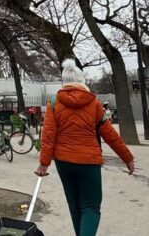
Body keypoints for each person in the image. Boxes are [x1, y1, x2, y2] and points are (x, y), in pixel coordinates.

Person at [35, 68, 134, 236]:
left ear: (64, 81)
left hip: (63, 161)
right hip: (89, 161)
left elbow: (49, 134)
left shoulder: (54, 102)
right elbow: (109, 134)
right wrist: (127, 158)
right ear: (82, 81)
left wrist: (44, 163)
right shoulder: (94, 103)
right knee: (91, 207)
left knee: (74, 205)